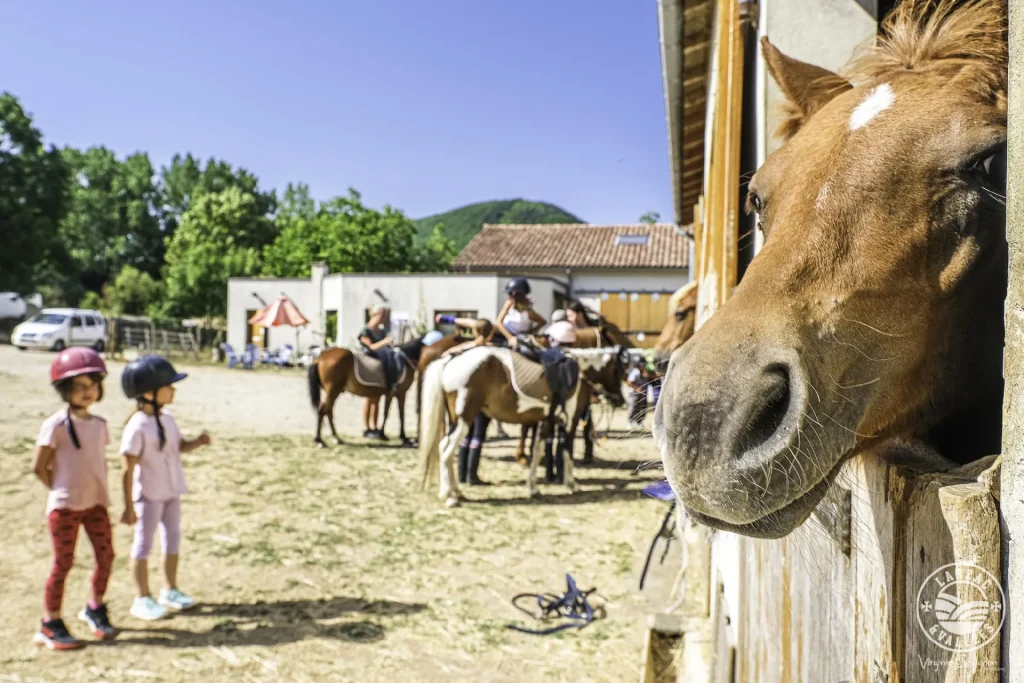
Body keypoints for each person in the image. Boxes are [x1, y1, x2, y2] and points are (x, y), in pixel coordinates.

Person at [33, 348, 118, 650]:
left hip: (96, 503)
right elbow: (39, 466)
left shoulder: (100, 425)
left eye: (92, 385)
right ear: (64, 390)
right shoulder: (55, 425)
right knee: (63, 563)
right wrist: (60, 490)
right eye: (79, 386)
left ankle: (95, 607)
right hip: (66, 508)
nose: (87, 392)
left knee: (106, 557)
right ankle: (50, 622)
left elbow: (97, 461)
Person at [120, 355, 211, 621]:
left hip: (171, 491)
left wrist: (197, 442)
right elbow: (127, 467)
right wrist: (128, 506)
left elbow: (178, 447)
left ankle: (170, 589)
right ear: (148, 392)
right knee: (143, 545)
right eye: (169, 385)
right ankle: (142, 597)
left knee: (173, 539)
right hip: (148, 495)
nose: (174, 390)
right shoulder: (137, 426)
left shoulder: (167, 418)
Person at [358, 306, 393, 438]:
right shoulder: (365, 330)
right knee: (370, 397)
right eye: (382, 315)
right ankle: (367, 427)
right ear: (374, 314)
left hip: (380, 365)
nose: (384, 318)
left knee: (377, 397)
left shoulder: (382, 331)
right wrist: (385, 342)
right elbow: (370, 347)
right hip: (368, 364)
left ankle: (374, 426)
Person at [626, 359, 648, 429]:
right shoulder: (635, 372)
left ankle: (639, 422)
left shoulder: (644, 372)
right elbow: (629, 382)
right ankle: (630, 422)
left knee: (642, 408)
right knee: (633, 407)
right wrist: (637, 389)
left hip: (643, 394)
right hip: (634, 394)